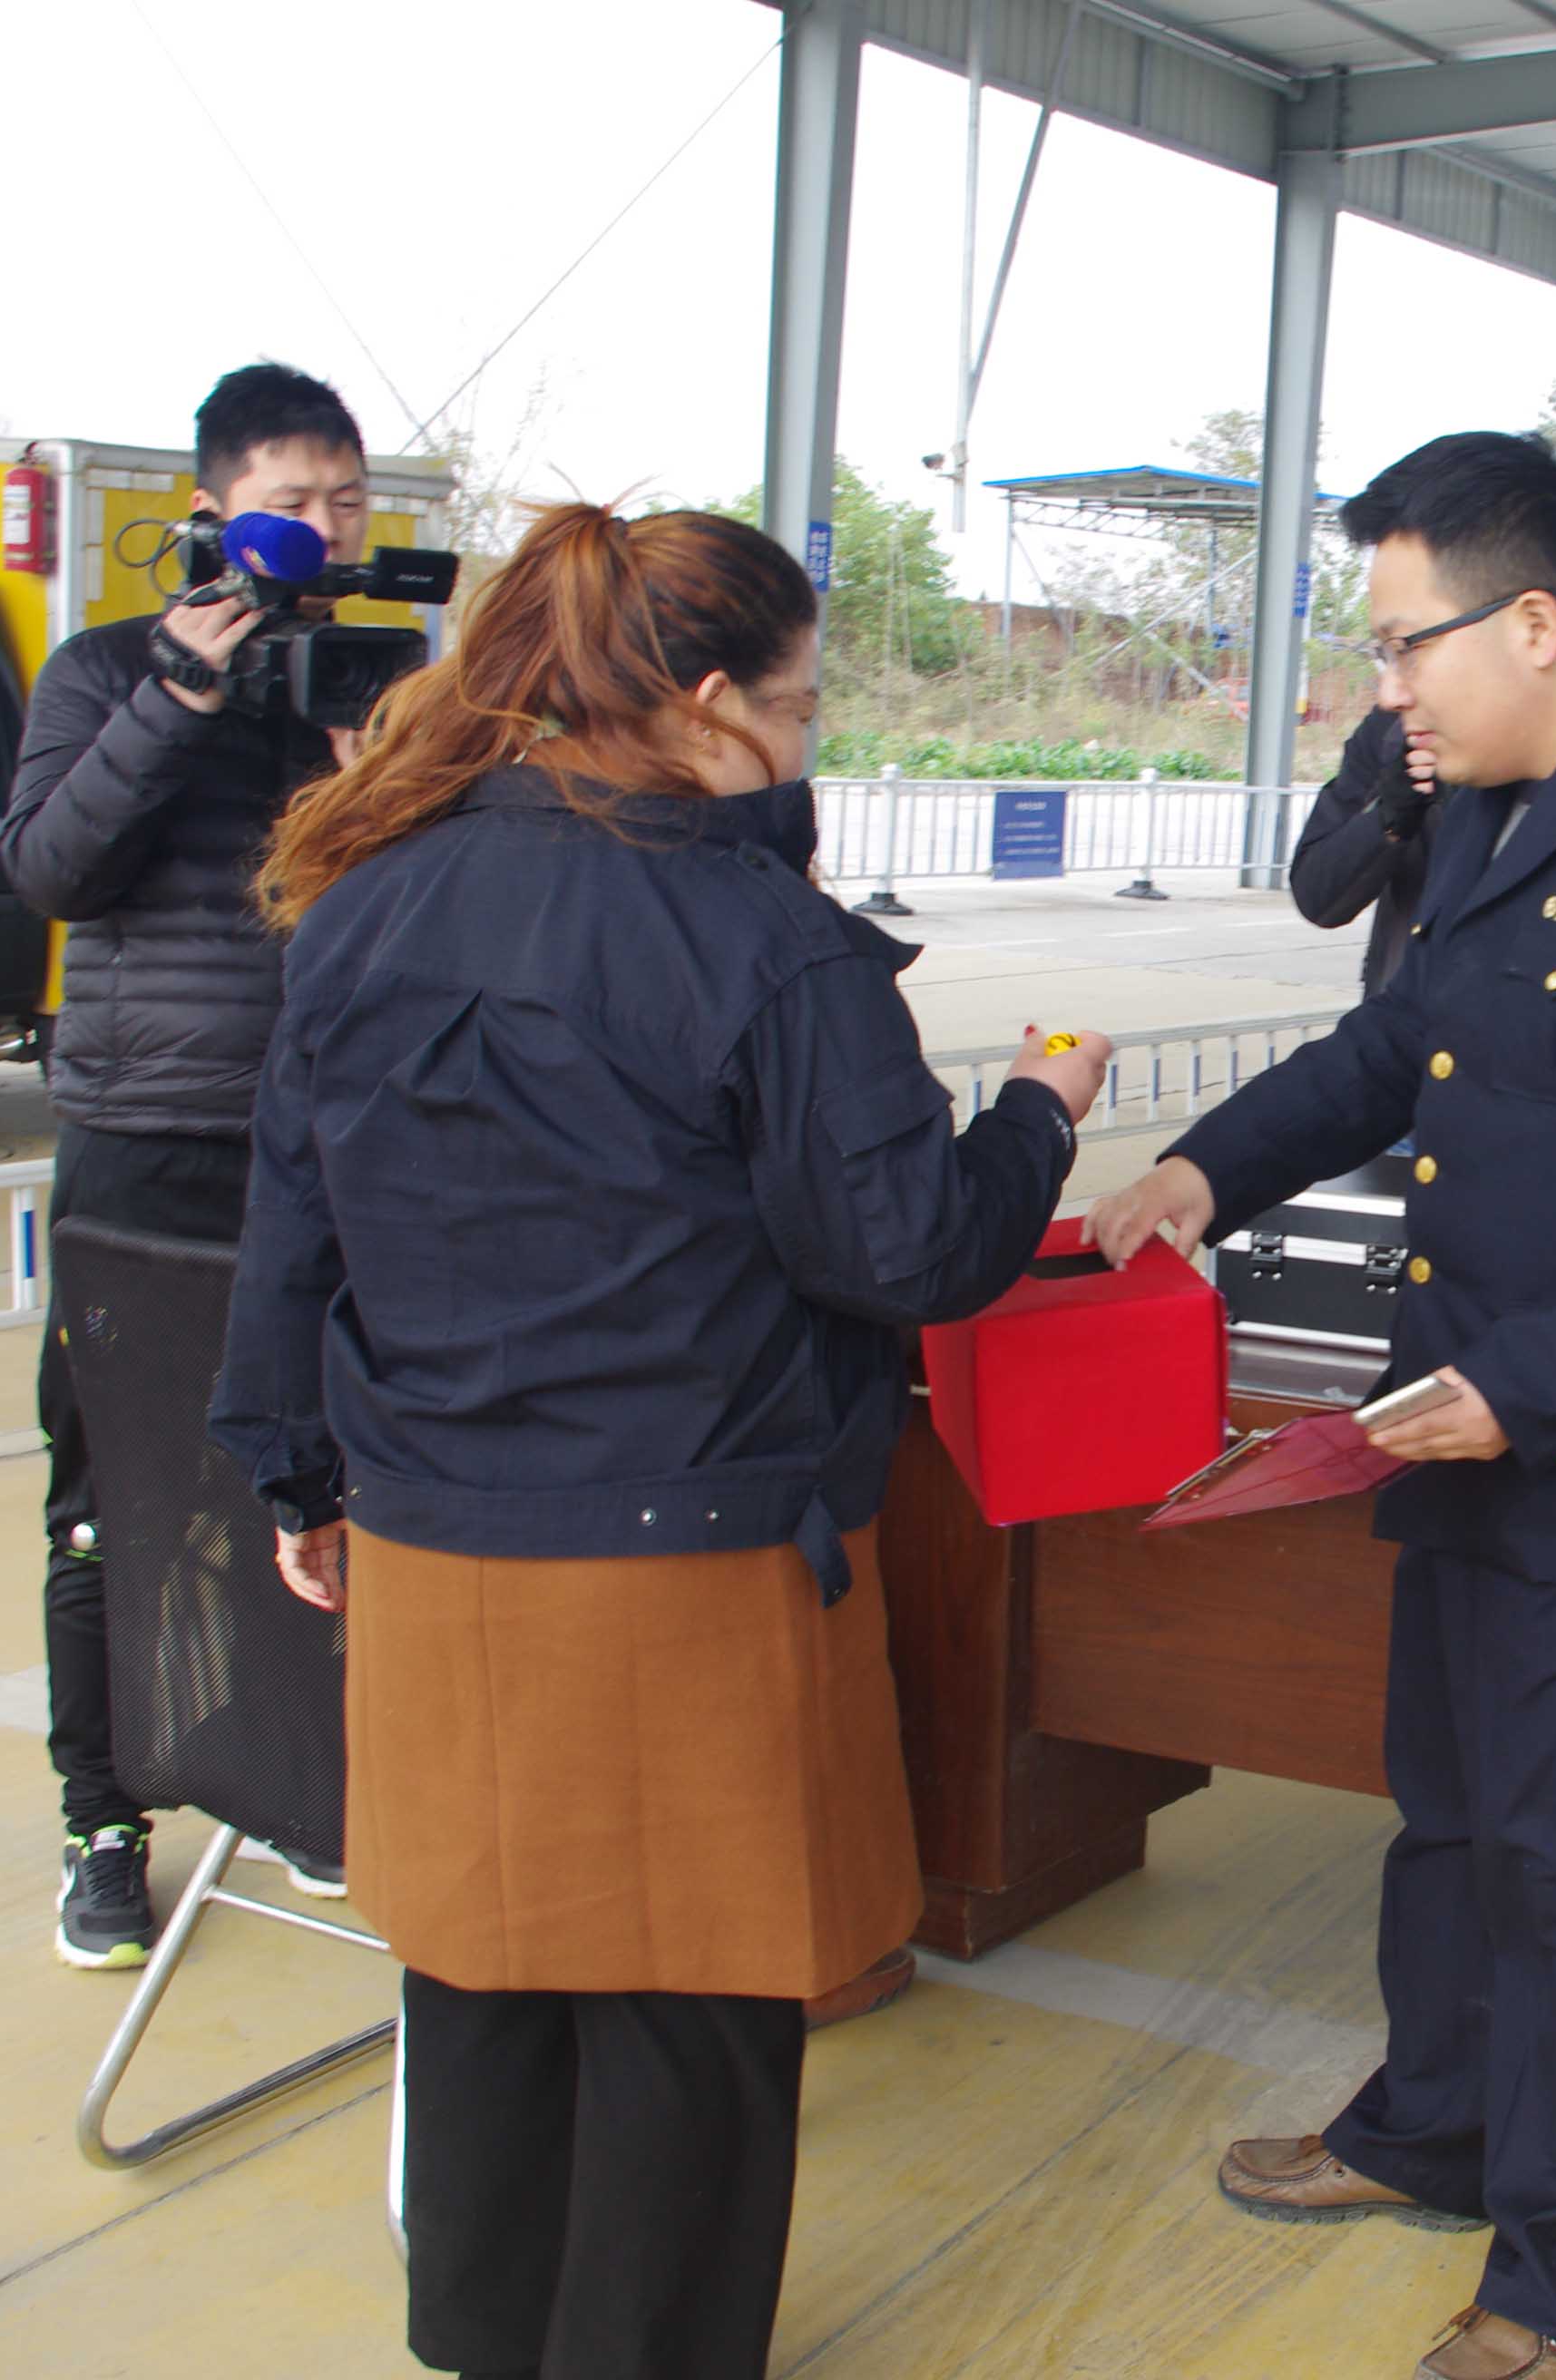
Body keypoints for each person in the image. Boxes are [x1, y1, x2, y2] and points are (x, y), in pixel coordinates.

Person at [210, 502, 1107, 2380]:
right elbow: (909, 1249)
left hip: (436, 1542)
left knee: (482, 1969)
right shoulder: (765, 944)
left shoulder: (370, 891)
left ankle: (485, 2342)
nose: (804, 742)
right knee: (691, 2014)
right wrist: (1038, 1110)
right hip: (687, 1566)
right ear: (703, 703)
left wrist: (292, 1467)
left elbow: (291, 1221)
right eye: (796, 705)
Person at [1089, 431, 1556, 2380]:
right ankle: (1430, 2126)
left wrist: (1528, 1385)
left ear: (1531, 622)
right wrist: (1201, 1169)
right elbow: (1396, 1047)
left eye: (1403, 643)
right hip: (1455, 1418)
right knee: (1449, 1817)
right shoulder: (1507, 815)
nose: (1387, 692)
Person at [5, 361, 371, 1967]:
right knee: (116, 1498)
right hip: (147, 1143)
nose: (326, 529)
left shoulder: (367, 684)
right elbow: (52, 871)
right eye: (294, 503)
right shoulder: (105, 671)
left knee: (305, 1486)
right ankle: (102, 1817)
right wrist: (176, 699)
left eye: (347, 501)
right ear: (215, 512)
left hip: (324, 1151)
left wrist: (376, 770)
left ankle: (287, 1782)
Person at [1288, 704, 1446, 994]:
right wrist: (1387, 818)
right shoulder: (1390, 731)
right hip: (1398, 1003)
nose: (1391, 694)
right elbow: (1317, 898)